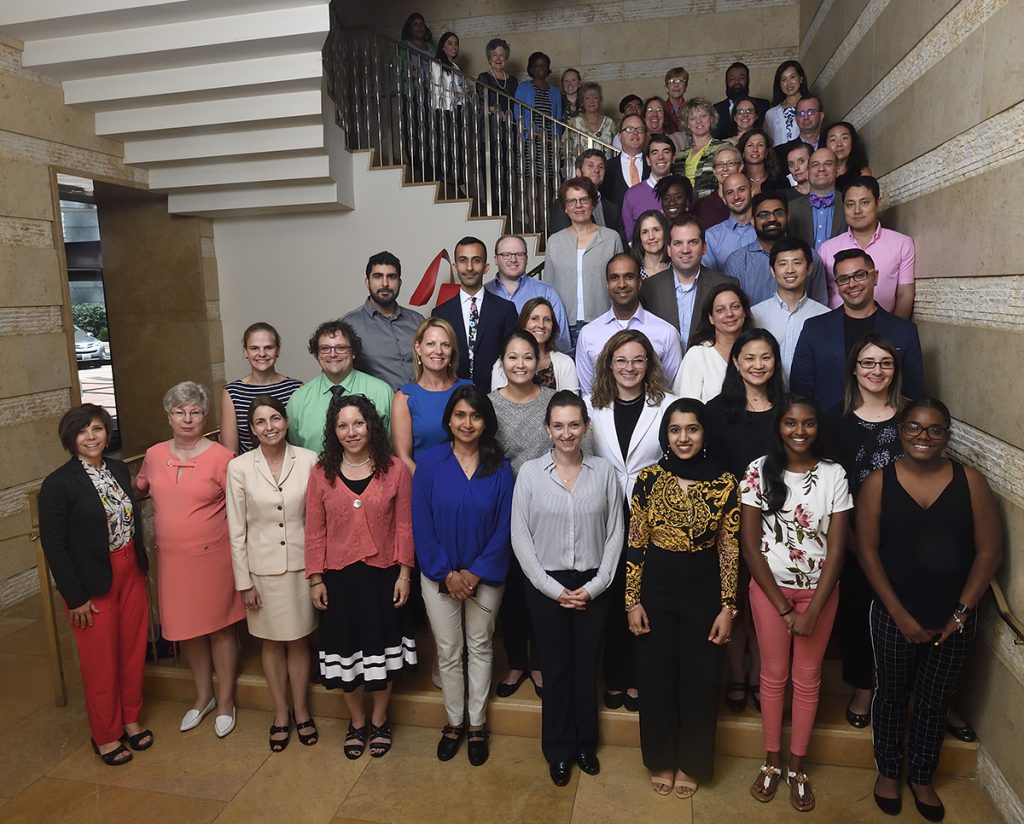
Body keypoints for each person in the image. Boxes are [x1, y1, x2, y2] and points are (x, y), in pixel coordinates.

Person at [856, 398, 1003, 820]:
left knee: (936, 700)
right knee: (890, 695)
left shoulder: (970, 481)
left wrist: (960, 614)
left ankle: (921, 774)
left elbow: (989, 551)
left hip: (952, 618)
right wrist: (900, 615)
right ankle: (887, 770)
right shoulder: (879, 482)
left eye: (935, 430)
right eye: (915, 428)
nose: (924, 437)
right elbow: (866, 552)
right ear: (901, 432)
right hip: (892, 613)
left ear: (947, 435)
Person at [741, 393, 853, 812]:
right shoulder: (758, 471)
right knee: (773, 676)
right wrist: (787, 610)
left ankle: (798, 766)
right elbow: (751, 549)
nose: (799, 431)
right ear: (779, 427)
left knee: (807, 679)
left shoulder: (833, 475)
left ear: (817, 428)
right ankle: (771, 760)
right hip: (771, 592)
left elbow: (838, 551)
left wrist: (813, 609)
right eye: (791, 423)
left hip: (819, 594)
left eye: (808, 423)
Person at [627, 398, 739, 798]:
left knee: (700, 678)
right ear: (666, 435)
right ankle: (660, 759)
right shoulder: (648, 479)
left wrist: (728, 606)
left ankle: (693, 763)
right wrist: (631, 601)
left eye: (692, 428)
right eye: (675, 430)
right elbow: (636, 542)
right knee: (656, 677)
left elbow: (729, 549)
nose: (683, 437)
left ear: (704, 432)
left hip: (704, 589)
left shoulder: (725, 482)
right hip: (655, 588)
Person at [513, 391, 623, 785]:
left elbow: (615, 535)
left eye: (574, 424)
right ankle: (558, 749)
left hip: (594, 584)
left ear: (586, 427)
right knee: (555, 669)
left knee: (585, 667)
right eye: (558, 425)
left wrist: (595, 587)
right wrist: (551, 588)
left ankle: (584, 744)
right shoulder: (529, 473)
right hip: (546, 585)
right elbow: (520, 538)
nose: (566, 433)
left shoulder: (603, 472)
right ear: (547, 429)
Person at [38, 404, 152, 766]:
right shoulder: (58, 484)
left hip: (130, 571)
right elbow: (53, 545)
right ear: (70, 438)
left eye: (98, 429)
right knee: (99, 661)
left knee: (133, 651)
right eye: (82, 431)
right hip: (90, 583)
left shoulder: (117, 469)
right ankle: (105, 735)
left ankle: (131, 720)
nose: (91, 437)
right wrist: (76, 597)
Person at [305, 394, 417, 759]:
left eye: (358, 423)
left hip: (383, 577)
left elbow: (404, 524)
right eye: (342, 425)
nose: (351, 432)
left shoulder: (394, 469)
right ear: (333, 431)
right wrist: (315, 578)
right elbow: (314, 530)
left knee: (380, 652)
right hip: (338, 580)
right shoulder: (321, 472)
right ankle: (357, 722)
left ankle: (381, 719)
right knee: (347, 653)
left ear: (370, 425)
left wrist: (404, 574)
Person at [413, 386, 514, 766]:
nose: (467, 423)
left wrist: (474, 574)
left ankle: (477, 724)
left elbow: (505, 527)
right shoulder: (430, 464)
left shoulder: (500, 466)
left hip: (484, 578)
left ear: (485, 421)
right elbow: (422, 525)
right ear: (449, 420)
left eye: (475, 416)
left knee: (480, 645)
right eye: (459, 415)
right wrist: (446, 573)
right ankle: (454, 722)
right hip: (438, 576)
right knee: (449, 651)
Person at [136, 382, 244, 738]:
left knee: (219, 630)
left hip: (213, 559)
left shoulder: (221, 458)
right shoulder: (152, 456)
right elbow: (137, 490)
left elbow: (240, 509)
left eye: (195, 412)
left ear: (205, 416)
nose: (187, 418)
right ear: (168, 416)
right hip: (173, 563)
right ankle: (203, 697)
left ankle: (226, 701)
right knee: (188, 633)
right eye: (180, 412)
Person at [585, 329, 679, 712]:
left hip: (652, 512)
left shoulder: (669, 404)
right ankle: (616, 674)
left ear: (649, 364)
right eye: (621, 360)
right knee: (610, 595)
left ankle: (641, 676)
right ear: (609, 363)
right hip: (605, 511)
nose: (629, 367)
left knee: (646, 596)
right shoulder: (591, 405)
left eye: (638, 360)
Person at [822, 334, 906, 731]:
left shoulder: (911, 417)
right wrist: (853, 543)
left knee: (900, 612)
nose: (877, 371)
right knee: (857, 613)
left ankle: (896, 688)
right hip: (852, 538)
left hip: (904, 540)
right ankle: (861, 688)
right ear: (854, 369)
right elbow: (827, 488)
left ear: (895, 370)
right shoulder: (835, 420)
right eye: (868, 363)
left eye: (885, 363)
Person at [226, 396, 318, 752]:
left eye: (275, 419)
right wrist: (243, 581)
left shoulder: (309, 460)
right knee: (270, 643)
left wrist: (317, 572)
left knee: (298, 640)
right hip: (261, 571)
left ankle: (303, 712)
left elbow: (317, 521)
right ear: (252, 430)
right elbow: (236, 529)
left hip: (301, 567)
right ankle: (281, 713)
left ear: (286, 421)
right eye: (261, 422)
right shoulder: (239, 467)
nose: (270, 427)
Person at [705, 328, 787, 712]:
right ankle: (737, 674)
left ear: (775, 361)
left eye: (765, 357)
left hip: (783, 524)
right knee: (734, 602)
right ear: (736, 362)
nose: (758, 365)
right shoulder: (717, 411)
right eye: (749, 358)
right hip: (732, 523)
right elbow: (712, 472)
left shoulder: (789, 409)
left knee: (769, 604)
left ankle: (762, 676)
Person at [489, 331, 556, 701]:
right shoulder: (489, 404)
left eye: (527, 357)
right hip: (503, 510)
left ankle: (541, 663)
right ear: (502, 362)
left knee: (542, 589)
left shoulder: (552, 402)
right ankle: (516, 661)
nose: (520, 364)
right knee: (512, 589)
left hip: (547, 511)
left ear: (539, 361)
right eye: (512, 357)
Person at [790, 249, 925, 410]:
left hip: (885, 429)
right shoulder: (815, 328)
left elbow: (913, 392)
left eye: (860, 275)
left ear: (875, 277)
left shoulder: (904, 331)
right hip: (828, 429)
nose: (852, 284)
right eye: (843, 279)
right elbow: (800, 389)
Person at [576, 253, 682, 394]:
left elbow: (670, 389)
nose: (622, 284)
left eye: (629, 276)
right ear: (607, 284)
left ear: (639, 282)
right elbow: (588, 394)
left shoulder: (666, 332)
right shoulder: (588, 334)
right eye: (614, 278)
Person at [287, 320, 393, 451]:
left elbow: (392, 447)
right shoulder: (299, 400)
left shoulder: (382, 392)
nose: (333, 354)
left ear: (353, 352)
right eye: (325, 348)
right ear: (317, 354)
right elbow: (297, 452)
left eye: (341, 348)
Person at [819, 176, 915, 318]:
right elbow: (821, 298)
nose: (857, 210)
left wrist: (889, 336)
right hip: (838, 332)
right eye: (850, 204)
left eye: (864, 203)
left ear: (877, 204)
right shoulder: (827, 249)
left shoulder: (901, 244)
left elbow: (905, 296)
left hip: (885, 333)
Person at [431, 235, 519, 392]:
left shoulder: (505, 310)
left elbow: (513, 355)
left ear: (486, 267)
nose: (469, 267)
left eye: (476, 260)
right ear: (454, 266)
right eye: (463, 260)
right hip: (453, 394)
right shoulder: (440, 313)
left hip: (497, 395)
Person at [544, 177, 625, 347]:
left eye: (583, 200)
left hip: (603, 323)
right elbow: (548, 288)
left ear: (593, 203)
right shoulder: (554, 241)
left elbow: (620, 284)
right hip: (563, 327)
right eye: (572, 201)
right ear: (565, 208)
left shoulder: (611, 238)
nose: (578, 206)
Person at [639, 215, 738, 349]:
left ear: (704, 248)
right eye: (678, 243)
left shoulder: (725, 286)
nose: (685, 250)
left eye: (692, 242)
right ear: (669, 249)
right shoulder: (649, 288)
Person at [391, 317, 472, 476]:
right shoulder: (404, 397)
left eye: (445, 345)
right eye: (430, 344)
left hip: (468, 482)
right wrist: (431, 486)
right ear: (418, 348)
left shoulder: (468, 389)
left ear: (452, 351)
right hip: (424, 485)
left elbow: (480, 445)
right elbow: (403, 458)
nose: (439, 351)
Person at [723, 193, 829, 305]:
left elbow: (820, 303)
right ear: (753, 221)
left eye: (778, 213)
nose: (772, 219)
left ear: (788, 217)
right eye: (764, 215)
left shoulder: (810, 256)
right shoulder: (736, 262)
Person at [342, 251, 426, 390]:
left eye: (391, 277)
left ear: (399, 282)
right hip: (376, 408)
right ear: (367, 282)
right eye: (378, 276)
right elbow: (337, 373)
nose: (385, 283)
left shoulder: (417, 321)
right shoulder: (349, 325)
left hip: (420, 406)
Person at [750, 237, 830, 380]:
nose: (790, 270)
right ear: (773, 271)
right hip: (767, 396)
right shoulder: (754, 315)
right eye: (782, 264)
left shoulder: (825, 316)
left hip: (809, 398)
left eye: (797, 263)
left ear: (809, 268)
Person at [220, 323, 303, 454]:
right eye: (254, 348)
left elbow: (302, 444)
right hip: (247, 471)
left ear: (278, 350)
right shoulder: (232, 393)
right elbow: (230, 453)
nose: (262, 354)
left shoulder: (296, 389)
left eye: (268, 347)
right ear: (245, 352)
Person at [484, 234, 571, 353]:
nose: (513, 259)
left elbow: (562, 341)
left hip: (539, 367)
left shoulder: (546, 293)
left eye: (519, 254)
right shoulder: (484, 293)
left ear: (526, 259)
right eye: (506, 255)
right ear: (496, 259)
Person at [673, 284, 752, 402]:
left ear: (744, 312)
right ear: (711, 318)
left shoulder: (760, 350)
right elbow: (686, 407)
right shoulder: (698, 355)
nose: (729, 314)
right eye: (720, 310)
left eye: (735, 307)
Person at [490, 297, 579, 392]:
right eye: (534, 319)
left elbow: (572, 405)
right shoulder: (502, 364)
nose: (541, 325)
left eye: (547, 319)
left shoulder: (565, 363)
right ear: (523, 323)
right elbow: (498, 403)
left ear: (553, 326)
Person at [548, 149, 627, 245]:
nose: (596, 170)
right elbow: (559, 243)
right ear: (578, 172)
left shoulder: (612, 209)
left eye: (601, 167)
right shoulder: (565, 203)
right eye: (590, 166)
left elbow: (621, 243)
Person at [476, 38, 518, 214]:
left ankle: (506, 208)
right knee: (491, 169)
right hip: (491, 131)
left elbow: (517, 104)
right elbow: (478, 103)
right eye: (494, 54)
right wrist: (494, 109)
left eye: (501, 54)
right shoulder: (484, 77)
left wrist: (510, 113)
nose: (498, 58)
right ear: (489, 57)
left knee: (509, 169)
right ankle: (493, 209)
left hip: (509, 130)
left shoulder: (513, 81)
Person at [430, 32, 467, 198]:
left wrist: (463, 96)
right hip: (443, 109)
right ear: (443, 46)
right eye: (450, 43)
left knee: (456, 147)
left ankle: (457, 180)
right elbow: (439, 87)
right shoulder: (437, 63)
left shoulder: (456, 67)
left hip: (456, 110)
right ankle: (439, 179)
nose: (454, 46)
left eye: (456, 43)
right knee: (443, 145)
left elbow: (463, 89)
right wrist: (457, 94)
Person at [788, 148, 847, 251]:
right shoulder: (791, 208)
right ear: (808, 171)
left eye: (828, 164)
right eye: (815, 165)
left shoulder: (849, 204)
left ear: (837, 170)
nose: (821, 169)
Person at [621, 134, 678, 239]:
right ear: (647, 160)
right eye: (654, 153)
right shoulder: (632, 195)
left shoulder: (686, 192)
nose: (660, 157)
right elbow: (629, 238)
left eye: (666, 152)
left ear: (673, 158)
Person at [671, 98, 731, 198]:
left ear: (711, 119)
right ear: (687, 124)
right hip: (685, 209)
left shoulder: (724, 148)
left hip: (714, 207)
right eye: (692, 118)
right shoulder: (679, 156)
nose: (699, 121)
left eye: (703, 116)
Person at [702, 172, 755, 269]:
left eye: (741, 190)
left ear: (752, 191)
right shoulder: (711, 237)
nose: (736, 196)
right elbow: (708, 277)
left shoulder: (766, 229)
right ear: (723, 199)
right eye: (729, 193)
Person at [712, 62, 770, 139]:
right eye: (732, 78)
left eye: (741, 78)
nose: (737, 82)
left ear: (748, 80)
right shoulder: (716, 109)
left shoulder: (763, 105)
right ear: (726, 82)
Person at [601, 114, 649, 206]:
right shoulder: (608, 167)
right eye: (629, 129)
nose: (635, 133)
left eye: (640, 129)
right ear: (619, 136)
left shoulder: (654, 164)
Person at [693, 144, 744, 229]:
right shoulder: (702, 206)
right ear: (714, 170)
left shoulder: (749, 201)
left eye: (730, 163)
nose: (725, 169)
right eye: (720, 165)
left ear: (740, 167)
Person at [764, 61, 809, 147]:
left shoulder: (811, 106)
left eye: (792, 77)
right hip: (779, 158)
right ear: (779, 84)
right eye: (784, 79)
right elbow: (768, 143)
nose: (789, 83)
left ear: (801, 79)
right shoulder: (771, 114)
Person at [737, 128, 786, 196]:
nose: (755, 150)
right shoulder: (736, 181)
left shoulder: (779, 180)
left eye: (760, 145)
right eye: (750, 145)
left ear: (766, 152)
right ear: (742, 152)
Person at [568, 81, 615, 146]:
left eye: (595, 98)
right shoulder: (574, 122)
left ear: (600, 100)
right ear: (582, 101)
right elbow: (563, 147)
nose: (591, 101)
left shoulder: (609, 123)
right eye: (587, 98)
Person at [631, 209, 670, 280]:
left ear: (665, 233)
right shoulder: (634, 273)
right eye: (645, 232)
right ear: (639, 238)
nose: (651, 237)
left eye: (656, 230)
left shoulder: (677, 268)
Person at [662, 67, 689, 135]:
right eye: (672, 81)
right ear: (667, 87)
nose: (676, 85)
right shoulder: (661, 109)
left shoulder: (692, 109)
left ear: (685, 87)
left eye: (680, 81)